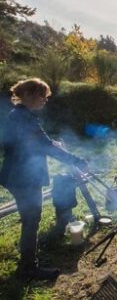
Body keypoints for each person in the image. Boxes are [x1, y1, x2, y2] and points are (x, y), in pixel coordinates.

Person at [0, 78, 87, 280]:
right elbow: (44, 146)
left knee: (31, 219)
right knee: (31, 220)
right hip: (24, 178)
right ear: (29, 95)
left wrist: (50, 144)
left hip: (21, 175)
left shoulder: (22, 115)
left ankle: (29, 263)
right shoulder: (23, 118)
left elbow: (41, 143)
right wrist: (77, 160)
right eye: (42, 96)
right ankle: (29, 268)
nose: (45, 100)